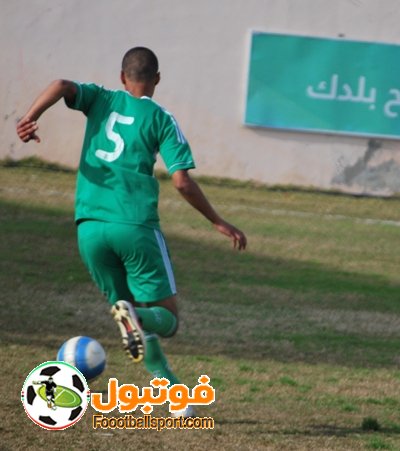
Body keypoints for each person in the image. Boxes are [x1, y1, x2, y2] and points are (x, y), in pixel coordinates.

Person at [16, 47, 247, 417]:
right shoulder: (161, 118)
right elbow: (182, 182)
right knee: (165, 319)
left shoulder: (101, 99)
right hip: (135, 227)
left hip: (89, 228)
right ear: (157, 79)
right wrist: (218, 221)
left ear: (122, 77)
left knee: (130, 317)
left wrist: (29, 118)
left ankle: (175, 397)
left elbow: (60, 84)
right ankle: (138, 320)